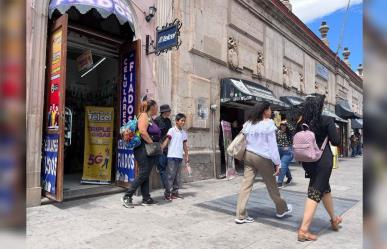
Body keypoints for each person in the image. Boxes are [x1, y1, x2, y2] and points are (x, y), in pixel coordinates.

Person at [235, 102, 292, 224]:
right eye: (270, 109)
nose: (271, 111)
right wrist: (277, 163)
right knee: (272, 186)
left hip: (248, 155)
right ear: (265, 111)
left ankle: (241, 215)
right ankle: (282, 209)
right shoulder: (268, 124)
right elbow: (272, 146)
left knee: (246, 185)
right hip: (262, 157)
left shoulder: (249, 123)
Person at [296, 94, 342, 241]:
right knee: (315, 191)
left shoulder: (301, 122)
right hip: (323, 161)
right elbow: (336, 141)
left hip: (307, 162)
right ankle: (303, 230)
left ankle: (334, 220)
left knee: (324, 189)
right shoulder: (327, 120)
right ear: (320, 107)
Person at [121, 99, 161, 208]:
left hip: (147, 148)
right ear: (152, 107)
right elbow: (143, 132)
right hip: (143, 148)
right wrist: (153, 144)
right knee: (143, 173)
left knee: (145, 174)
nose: (157, 108)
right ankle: (127, 196)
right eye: (156, 106)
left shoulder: (149, 118)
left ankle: (146, 198)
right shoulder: (143, 115)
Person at [161, 113, 189, 200]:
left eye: (184, 121)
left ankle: (175, 192)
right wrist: (161, 148)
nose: (183, 122)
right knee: (170, 176)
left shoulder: (184, 133)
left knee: (177, 176)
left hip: (179, 157)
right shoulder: (171, 130)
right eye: (182, 121)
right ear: (177, 121)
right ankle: (167, 193)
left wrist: (187, 156)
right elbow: (167, 140)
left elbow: (185, 145)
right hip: (171, 156)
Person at [154, 104, 172, 196]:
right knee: (162, 168)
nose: (170, 112)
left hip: (167, 146)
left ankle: (167, 187)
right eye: (169, 111)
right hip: (159, 147)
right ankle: (167, 188)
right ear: (164, 112)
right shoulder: (156, 120)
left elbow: (170, 134)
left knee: (165, 167)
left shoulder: (168, 121)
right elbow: (154, 134)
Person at [276, 120, 294, 188]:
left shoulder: (289, 133)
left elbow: (292, 129)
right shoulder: (278, 132)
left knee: (283, 165)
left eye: (284, 125)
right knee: (284, 165)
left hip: (287, 150)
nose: (283, 126)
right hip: (279, 150)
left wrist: (286, 122)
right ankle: (289, 178)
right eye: (282, 125)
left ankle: (279, 182)